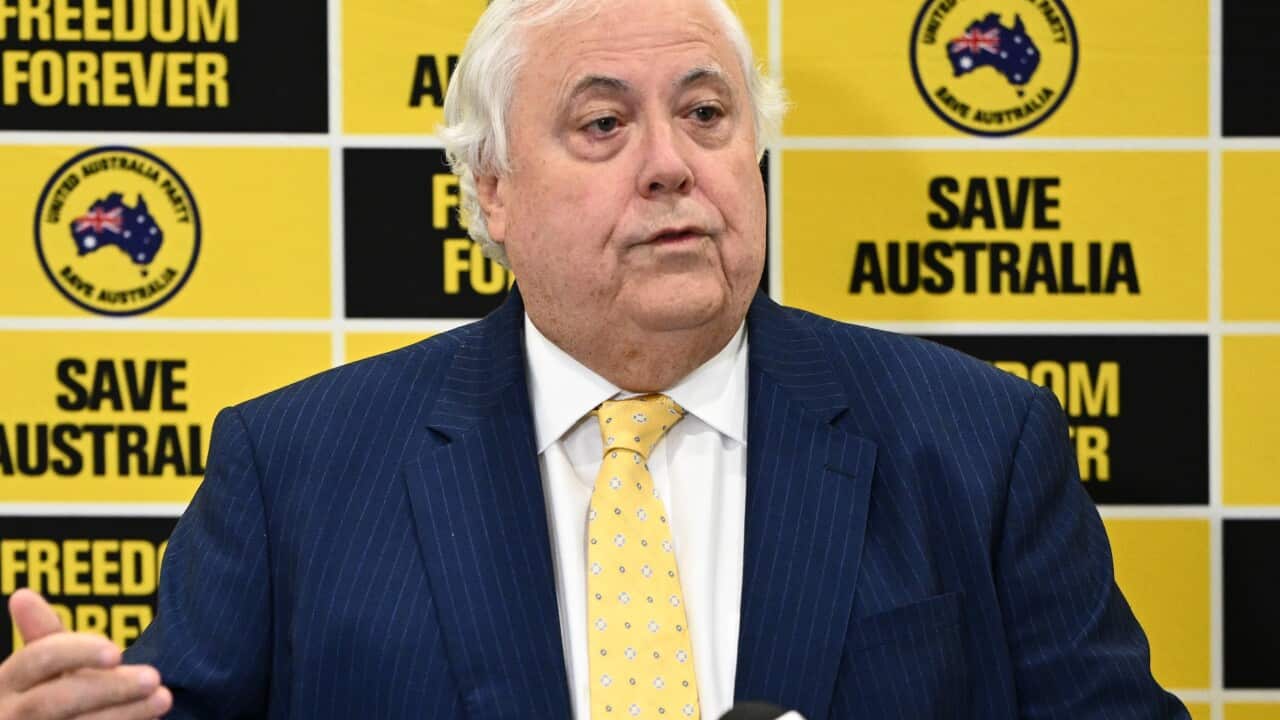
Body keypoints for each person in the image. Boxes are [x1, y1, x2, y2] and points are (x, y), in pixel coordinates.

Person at [0, 0, 1190, 718]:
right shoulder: (292, 469)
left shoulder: (977, 446)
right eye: (603, 123)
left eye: (708, 114)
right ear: (493, 195)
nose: (671, 165)